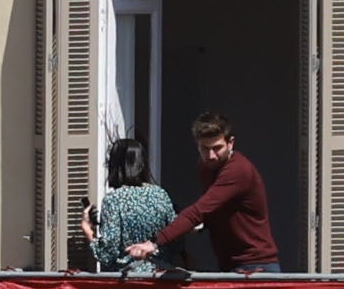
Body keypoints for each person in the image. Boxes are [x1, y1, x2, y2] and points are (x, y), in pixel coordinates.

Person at [137, 115, 275, 272]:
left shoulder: (238, 170)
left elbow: (200, 210)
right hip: (230, 264)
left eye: (217, 148)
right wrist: (197, 225)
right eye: (204, 148)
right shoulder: (206, 166)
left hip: (255, 266)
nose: (211, 156)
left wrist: (154, 243)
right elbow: (211, 211)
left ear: (231, 143)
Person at [73, 137, 174, 279]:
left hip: (127, 281)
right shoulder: (161, 195)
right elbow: (175, 237)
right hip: (161, 278)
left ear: (115, 165)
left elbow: (107, 253)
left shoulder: (114, 200)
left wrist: (88, 232)